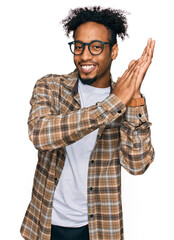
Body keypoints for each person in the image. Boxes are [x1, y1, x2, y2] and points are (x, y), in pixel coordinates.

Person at [20, 6, 155, 240]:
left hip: (100, 228)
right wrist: (112, 104)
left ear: (113, 51)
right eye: (79, 46)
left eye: (95, 47)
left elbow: (137, 165)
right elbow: (40, 135)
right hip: (45, 225)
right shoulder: (51, 87)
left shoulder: (124, 99)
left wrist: (134, 101)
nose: (84, 56)